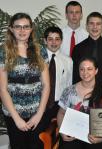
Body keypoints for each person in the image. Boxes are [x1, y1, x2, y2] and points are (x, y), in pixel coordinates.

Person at [0, 13, 50, 149]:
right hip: (13, 115)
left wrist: (39, 115)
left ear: (31, 28)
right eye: (18, 27)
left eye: (26, 27)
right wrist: (17, 119)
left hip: (37, 114)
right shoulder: (4, 52)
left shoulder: (41, 50)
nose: (22, 31)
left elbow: (46, 85)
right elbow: (2, 89)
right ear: (11, 29)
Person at [57, 56, 102, 149]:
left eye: (89, 69)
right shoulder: (69, 90)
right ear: (78, 71)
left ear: (96, 71)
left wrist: (101, 139)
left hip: (96, 138)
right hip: (73, 136)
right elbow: (61, 113)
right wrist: (62, 132)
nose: (85, 73)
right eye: (82, 69)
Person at [72, 12, 102, 97]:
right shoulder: (78, 48)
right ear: (87, 26)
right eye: (91, 24)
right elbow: (75, 74)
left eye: (98, 24)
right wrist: (76, 94)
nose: (95, 27)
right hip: (83, 92)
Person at [43, 26, 73, 126]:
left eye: (57, 39)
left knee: (56, 136)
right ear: (45, 41)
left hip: (58, 105)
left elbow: (69, 85)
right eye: (50, 39)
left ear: (61, 41)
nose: (54, 42)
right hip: (41, 104)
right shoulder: (38, 59)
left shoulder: (68, 61)